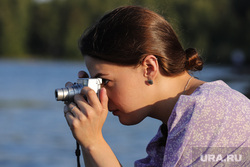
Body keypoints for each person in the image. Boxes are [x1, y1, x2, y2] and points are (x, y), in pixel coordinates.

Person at [63, 6, 250, 167]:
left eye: (104, 81)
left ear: (149, 68)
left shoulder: (210, 113)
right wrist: (87, 139)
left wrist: (94, 142)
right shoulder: (176, 127)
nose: (99, 94)